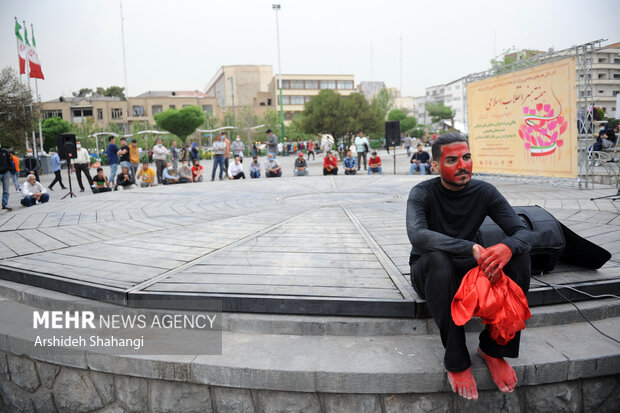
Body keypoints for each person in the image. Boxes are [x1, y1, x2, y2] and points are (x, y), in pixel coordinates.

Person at [407, 132, 533, 401]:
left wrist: (507, 247)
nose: (463, 165)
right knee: (439, 261)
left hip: (469, 271)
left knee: (519, 255)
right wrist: (469, 248)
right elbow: (418, 235)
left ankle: (493, 349)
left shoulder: (484, 191)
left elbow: (523, 232)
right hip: (429, 271)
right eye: (452, 160)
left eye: (466, 157)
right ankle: (456, 358)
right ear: (436, 166)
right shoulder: (422, 193)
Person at [0, 143, 15, 211]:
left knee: (6, 190)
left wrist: (9, 169)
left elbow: (9, 161)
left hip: (6, 173)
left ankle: (5, 204)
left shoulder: (4, 151)